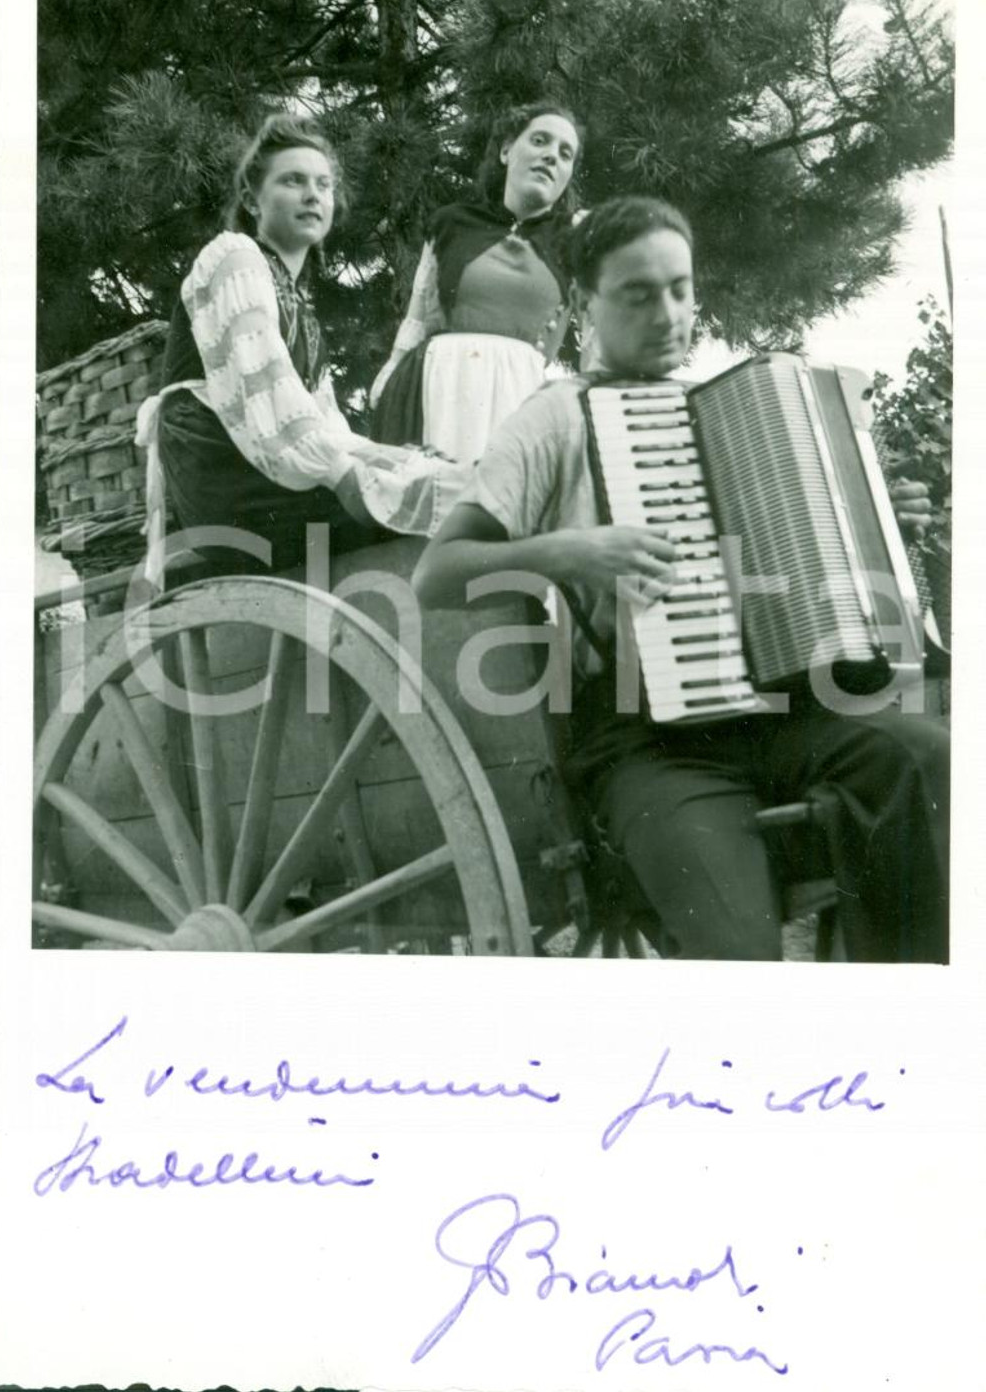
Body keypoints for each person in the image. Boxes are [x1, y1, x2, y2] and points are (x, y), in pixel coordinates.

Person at [413, 195, 949, 962]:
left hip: (783, 714)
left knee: (936, 763)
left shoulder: (734, 412)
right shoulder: (554, 416)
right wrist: (566, 552)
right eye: (638, 294)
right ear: (583, 304)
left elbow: (807, 565)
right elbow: (437, 574)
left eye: (680, 288)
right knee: (735, 944)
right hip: (644, 745)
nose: (667, 313)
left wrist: (880, 519)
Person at [138, 114, 469, 582]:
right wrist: (345, 473)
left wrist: (392, 459)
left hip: (272, 469)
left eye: (324, 184)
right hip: (226, 478)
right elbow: (269, 402)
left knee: (443, 485)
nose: (313, 195)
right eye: (293, 181)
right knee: (425, 504)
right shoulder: (233, 256)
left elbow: (323, 427)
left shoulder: (303, 314)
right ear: (252, 199)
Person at [368, 101, 583, 462]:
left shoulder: (577, 239)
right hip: (436, 386)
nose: (551, 156)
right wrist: (391, 372)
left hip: (520, 398)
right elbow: (416, 315)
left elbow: (596, 338)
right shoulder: (451, 222)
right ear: (506, 150)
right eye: (540, 141)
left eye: (565, 154)